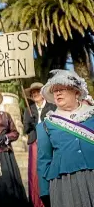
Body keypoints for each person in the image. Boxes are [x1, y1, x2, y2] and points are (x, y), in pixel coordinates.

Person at [37, 70, 94, 207]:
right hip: (65, 183)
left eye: (62, 88)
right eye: (55, 90)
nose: (57, 93)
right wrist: (45, 191)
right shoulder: (45, 125)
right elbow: (44, 160)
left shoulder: (92, 116)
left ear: (76, 92)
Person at [23, 82, 56, 207]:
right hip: (35, 142)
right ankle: (37, 202)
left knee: (51, 168)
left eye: (37, 91)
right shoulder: (28, 110)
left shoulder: (52, 106)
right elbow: (25, 129)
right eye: (33, 93)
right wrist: (30, 123)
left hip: (51, 141)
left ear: (43, 93)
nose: (35, 94)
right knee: (35, 172)